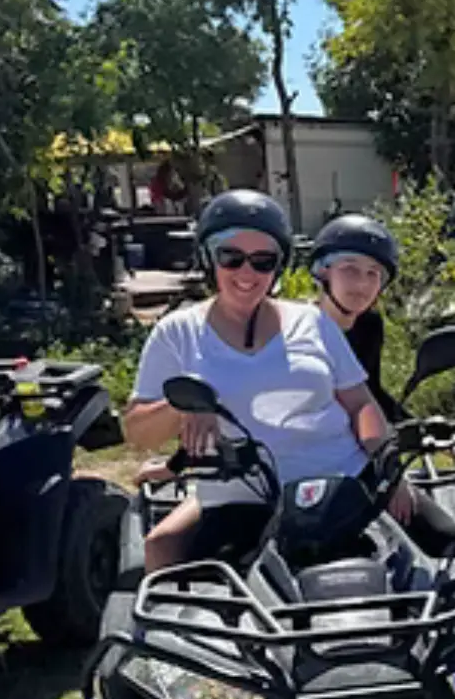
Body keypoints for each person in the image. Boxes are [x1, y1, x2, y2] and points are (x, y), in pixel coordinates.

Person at [124, 190, 392, 573]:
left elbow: (360, 403)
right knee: (190, 598)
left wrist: (387, 463)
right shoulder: (176, 333)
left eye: (262, 261)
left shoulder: (313, 323)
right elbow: (138, 434)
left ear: (278, 267)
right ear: (208, 259)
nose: (247, 273)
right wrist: (184, 407)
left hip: (339, 488)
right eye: (231, 257)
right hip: (240, 498)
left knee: (449, 560)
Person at [310, 212, 455, 557]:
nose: (362, 284)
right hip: (308, 470)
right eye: (350, 269)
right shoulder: (296, 332)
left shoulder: (368, 325)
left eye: (374, 274)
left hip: (365, 465)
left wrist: (408, 427)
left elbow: (369, 394)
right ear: (323, 271)